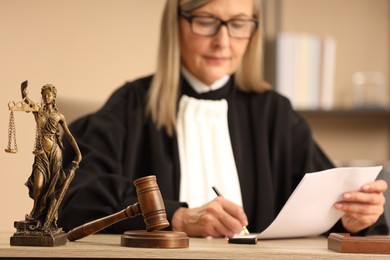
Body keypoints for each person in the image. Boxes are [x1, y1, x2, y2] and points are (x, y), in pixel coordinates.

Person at [58, 0, 388, 238]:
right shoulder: (130, 105)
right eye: (206, 20)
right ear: (176, 23)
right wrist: (177, 217)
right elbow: (73, 195)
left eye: (239, 24)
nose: (223, 41)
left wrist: (355, 218)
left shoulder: (274, 113)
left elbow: (323, 204)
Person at [23, 84, 82, 231]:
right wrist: (23, 94)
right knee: (38, 185)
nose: (46, 96)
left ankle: (47, 218)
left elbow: (69, 136)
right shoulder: (38, 112)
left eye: (49, 94)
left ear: (54, 96)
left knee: (51, 187)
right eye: (44, 94)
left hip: (55, 153)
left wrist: (78, 153)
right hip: (41, 153)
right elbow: (26, 102)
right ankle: (36, 214)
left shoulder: (59, 116)